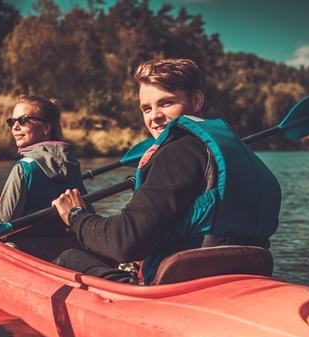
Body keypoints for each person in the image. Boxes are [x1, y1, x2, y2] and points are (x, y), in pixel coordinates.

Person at [51, 58, 281, 285]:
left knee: (68, 257)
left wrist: (77, 216)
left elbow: (125, 242)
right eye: (146, 108)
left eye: (166, 103)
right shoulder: (240, 154)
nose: (154, 116)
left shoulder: (177, 152)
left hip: (179, 286)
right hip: (240, 277)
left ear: (197, 100)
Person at [0, 95, 90, 260]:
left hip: (32, 253)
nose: (15, 127)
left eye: (23, 120)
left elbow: (2, 223)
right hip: (70, 249)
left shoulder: (24, 168)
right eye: (12, 122)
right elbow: (87, 212)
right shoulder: (73, 165)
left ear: (46, 127)